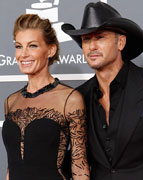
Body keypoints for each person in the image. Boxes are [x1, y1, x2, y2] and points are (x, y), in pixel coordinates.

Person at [62, 1, 143, 180]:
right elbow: (74, 158)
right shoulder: (78, 97)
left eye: (99, 37)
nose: (92, 47)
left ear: (120, 42)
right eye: (86, 40)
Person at [2, 14, 90, 180]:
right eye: (19, 46)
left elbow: (80, 166)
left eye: (32, 46)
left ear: (51, 50)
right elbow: (11, 167)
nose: (23, 54)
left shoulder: (70, 99)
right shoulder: (10, 102)